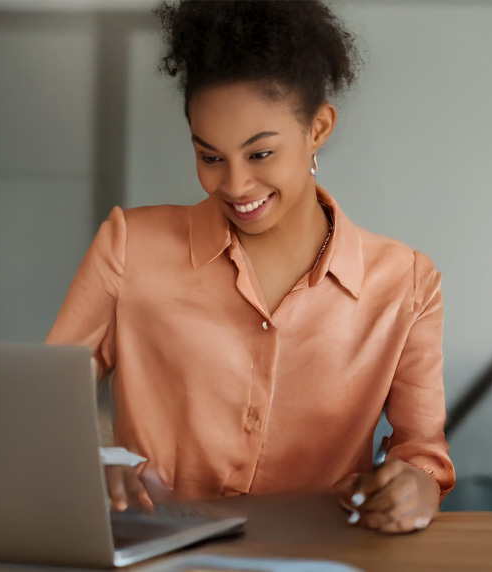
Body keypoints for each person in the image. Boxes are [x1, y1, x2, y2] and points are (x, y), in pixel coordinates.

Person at [47, 0, 451, 534]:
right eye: (210, 157)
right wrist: (97, 469)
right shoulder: (129, 246)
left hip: (318, 556)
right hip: (158, 553)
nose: (235, 186)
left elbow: (421, 454)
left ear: (319, 128)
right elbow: (47, 404)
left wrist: (416, 484)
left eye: (260, 154)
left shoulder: (406, 283)